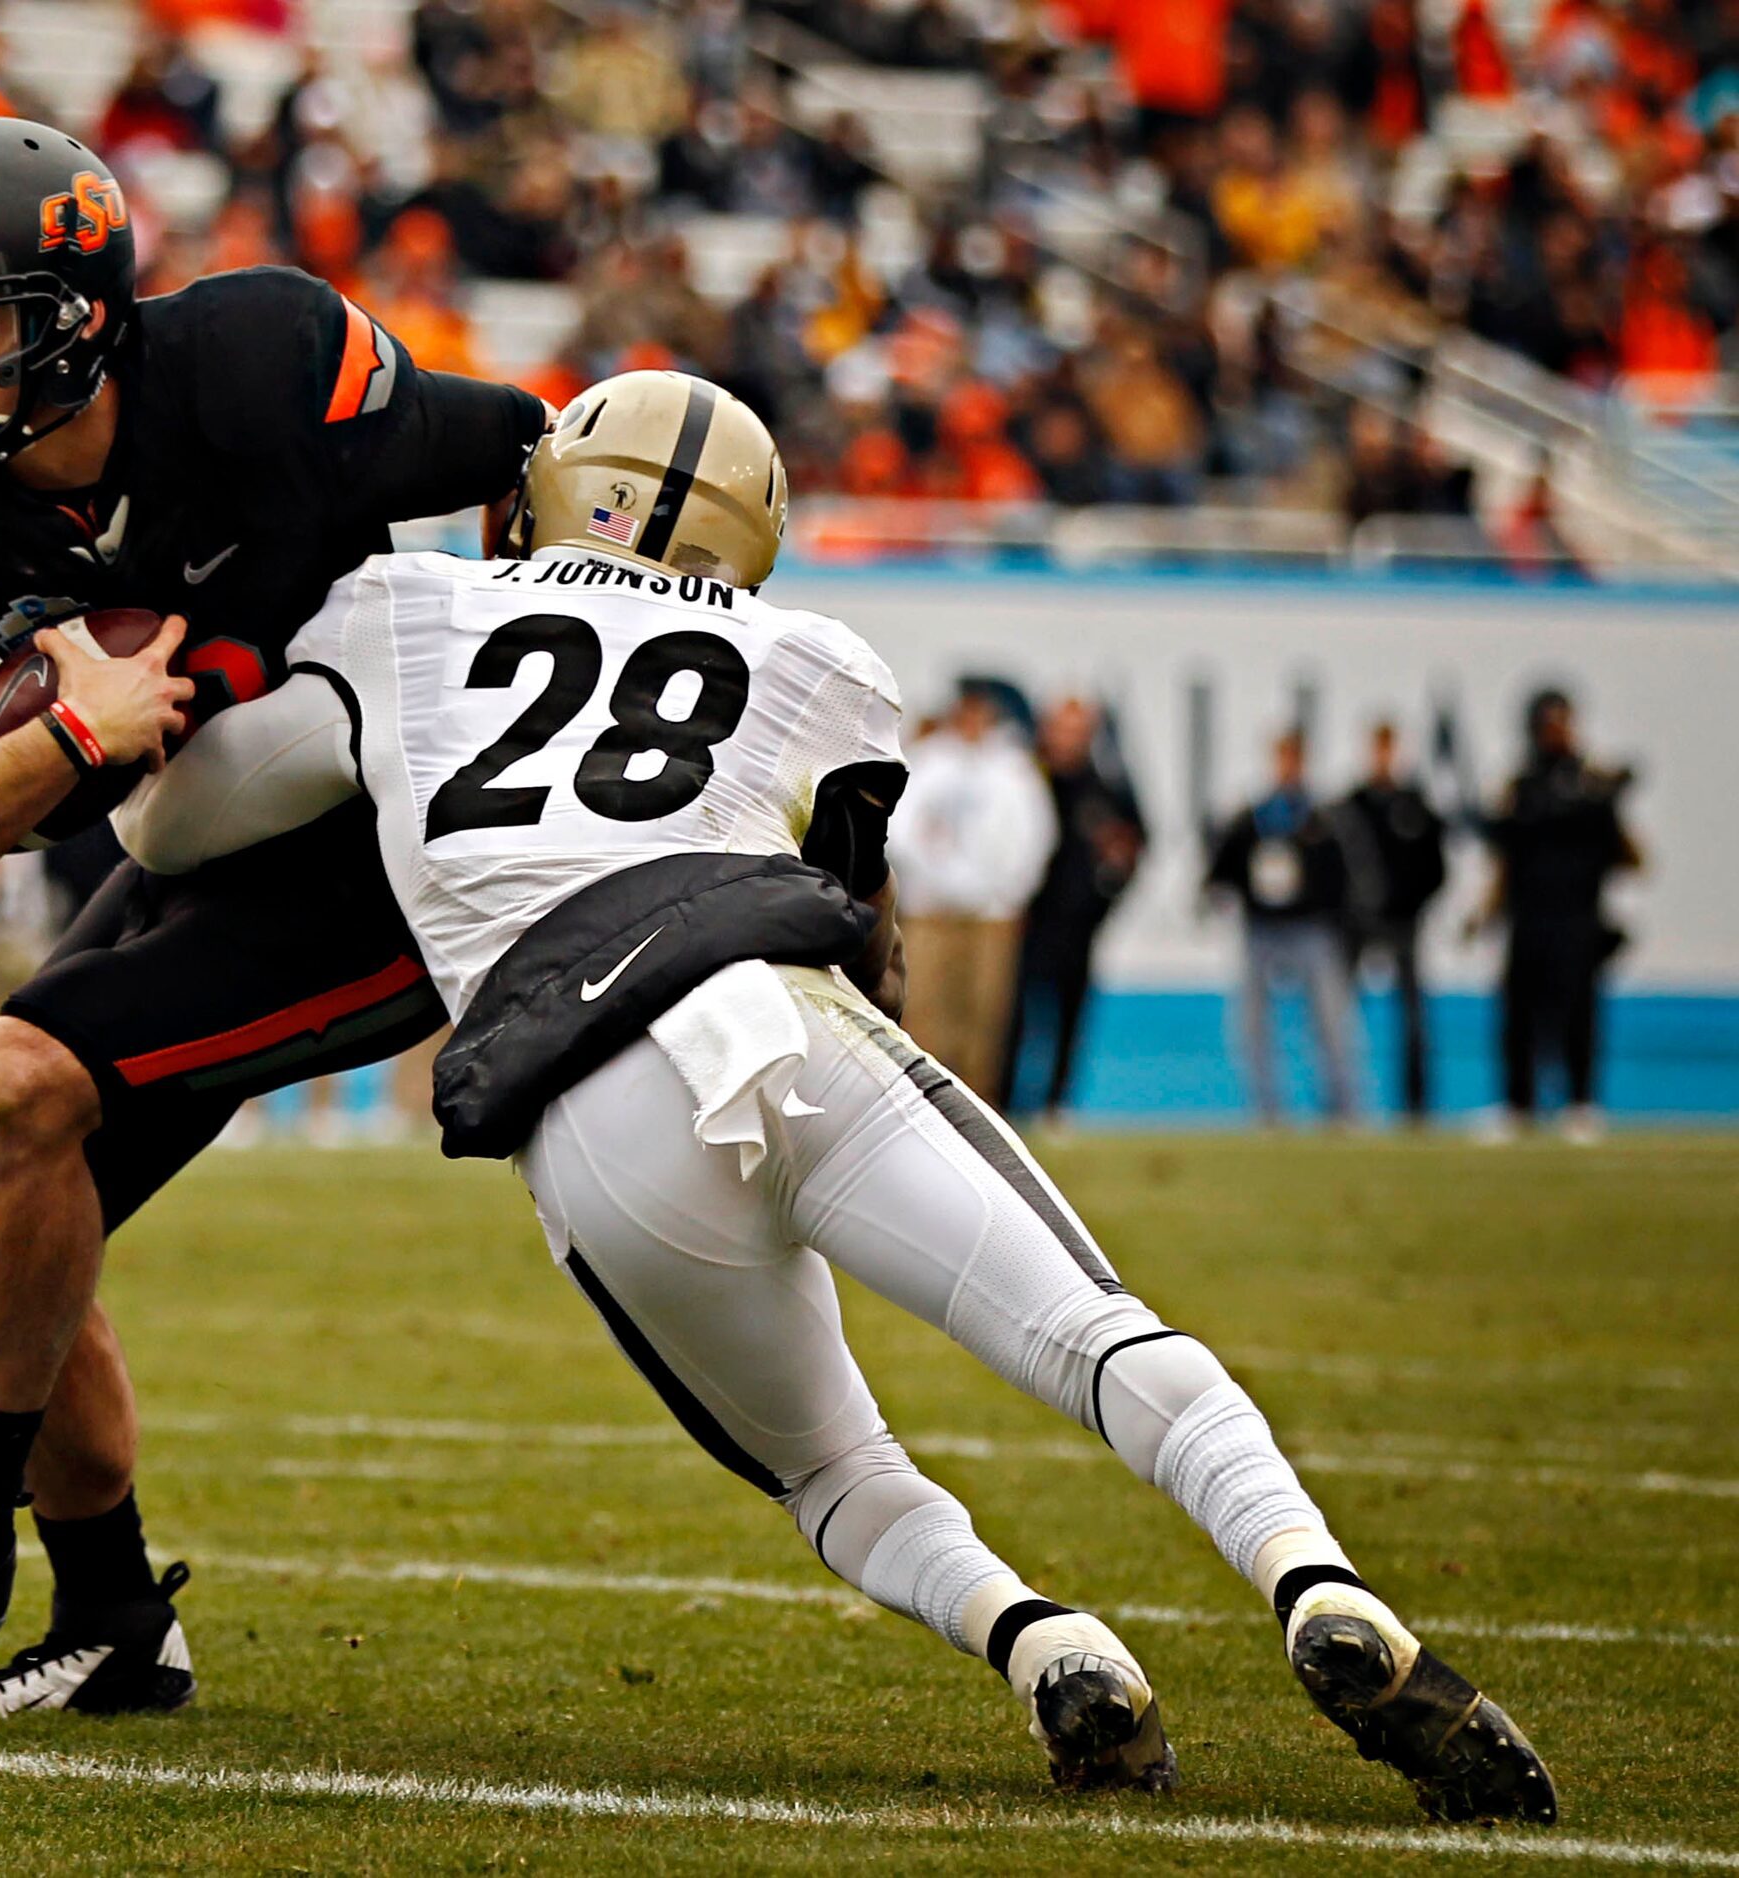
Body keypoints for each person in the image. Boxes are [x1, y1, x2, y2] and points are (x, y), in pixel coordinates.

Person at [97, 371, 1553, 1822]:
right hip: (788, 1015)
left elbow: (177, 822)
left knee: (831, 1468)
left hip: (588, 1105)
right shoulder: (815, 654)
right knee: (1094, 1333)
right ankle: (1316, 1584)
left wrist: (103, 708)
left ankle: (1040, 1641)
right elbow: (860, 901)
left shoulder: (401, 612)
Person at [0, 121, 549, 1717]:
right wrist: (68, 741)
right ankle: (112, 1618)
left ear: (84, 308)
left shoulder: (255, 366)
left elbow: (541, 449)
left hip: (389, 845)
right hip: (211, 839)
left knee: (32, 1072)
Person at [885, 679, 1054, 1105]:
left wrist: (1008, 891)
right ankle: (927, 1108)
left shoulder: (1013, 768)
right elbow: (900, 832)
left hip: (991, 916)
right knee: (926, 1013)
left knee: (985, 1018)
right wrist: (944, 880)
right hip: (931, 914)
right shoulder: (926, 762)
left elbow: (1035, 836)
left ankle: (981, 1110)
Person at [1481, 688, 1638, 1140]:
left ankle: (1581, 1103)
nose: (1559, 733)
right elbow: (1504, 859)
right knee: (1518, 1015)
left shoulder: (1592, 785)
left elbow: (1630, 857)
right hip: (1529, 917)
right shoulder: (1522, 788)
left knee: (1579, 1013)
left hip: (1578, 917)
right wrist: (1486, 912)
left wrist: (1607, 798)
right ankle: (1518, 1104)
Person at [1204, 729, 1362, 1124]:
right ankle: (1268, 1114)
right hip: (1262, 930)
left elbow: (1343, 880)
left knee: (1331, 1025)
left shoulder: (1321, 820)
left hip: (1311, 930)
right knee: (1253, 1027)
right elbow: (1221, 871)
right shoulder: (1254, 818)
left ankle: (1343, 1110)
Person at [1003, 698, 1146, 1121]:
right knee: (1013, 1019)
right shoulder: (1025, 779)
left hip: (1079, 926)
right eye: (1062, 729)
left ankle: (1056, 1105)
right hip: (1028, 923)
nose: (1069, 739)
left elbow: (1134, 845)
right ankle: (1006, 1103)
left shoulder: (1104, 788)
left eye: (1078, 730)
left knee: (1069, 1020)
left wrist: (1107, 896)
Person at [1339, 721, 1447, 1122]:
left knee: (1413, 1020)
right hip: (1356, 926)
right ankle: (1344, 1106)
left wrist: (1411, 904)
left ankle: (1416, 1108)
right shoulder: (1350, 807)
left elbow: (1436, 868)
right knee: (1340, 1019)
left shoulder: (1415, 806)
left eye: (1389, 747)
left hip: (1403, 923)